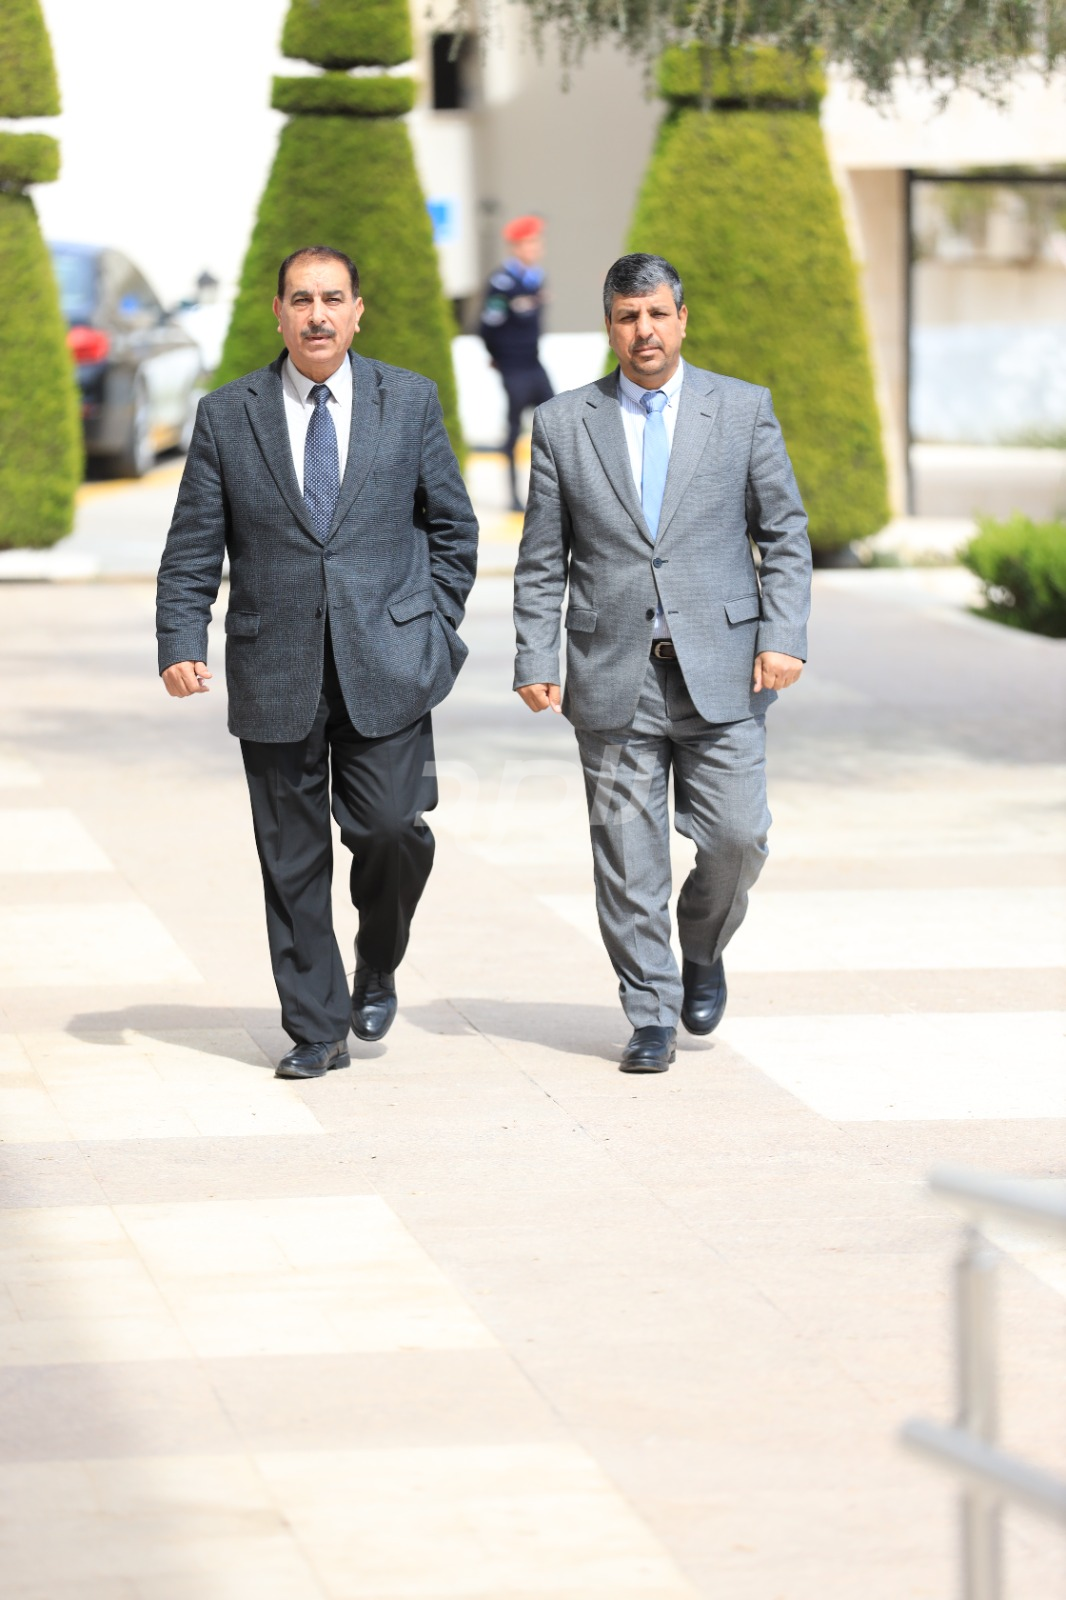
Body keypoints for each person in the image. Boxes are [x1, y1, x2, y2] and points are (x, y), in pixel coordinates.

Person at [156, 245, 478, 1079]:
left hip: (389, 662)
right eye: (301, 300)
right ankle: (315, 1028)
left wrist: (432, 624)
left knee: (390, 830)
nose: (318, 315)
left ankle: (379, 959)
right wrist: (181, 639)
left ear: (358, 312)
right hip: (275, 666)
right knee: (291, 858)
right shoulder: (228, 415)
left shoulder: (409, 400)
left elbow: (453, 526)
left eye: (333, 298)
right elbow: (193, 546)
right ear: (278, 314)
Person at [513, 253, 811, 1074]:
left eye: (655, 314)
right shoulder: (564, 423)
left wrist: (784, 634)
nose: (642, 330)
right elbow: (542, 556)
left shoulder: (742, 410)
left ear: (682, 318)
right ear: (610, 326)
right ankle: (649, 1012)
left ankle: (702, 945)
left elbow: (784, 533)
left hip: (727, 667)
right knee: (625, 855)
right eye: (626, 317)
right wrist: (536, 652)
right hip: (611, 671)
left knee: (738, 837)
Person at [479, 214, 554, 512]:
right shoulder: (502, 283)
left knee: (557, 423)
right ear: (517, 246)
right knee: (513, 432)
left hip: (534, 364)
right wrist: (499, 358)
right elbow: (488, 326)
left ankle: (557, 494)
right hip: (514, 369)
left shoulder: (535, 279)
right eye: (531, 242)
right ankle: (513, 497)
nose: (537, 248)